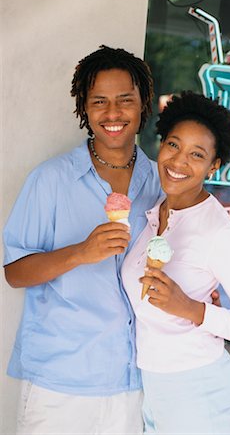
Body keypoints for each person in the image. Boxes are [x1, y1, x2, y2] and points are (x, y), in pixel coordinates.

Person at [3, 45, 161, 435]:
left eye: (125, 100)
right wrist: (81, 252)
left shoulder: (161, 183)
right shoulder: (50, 179)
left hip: (138, 380)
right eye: (99, 102)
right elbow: (14, 273)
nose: (113, 114)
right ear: (84, 109)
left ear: (143, 105)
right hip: (62, 384)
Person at [122, 91, 230, 435]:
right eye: (173, 145)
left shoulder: (218, 232)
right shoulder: (155, 209)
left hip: (198, 392)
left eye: (197, 154)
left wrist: (192, 309)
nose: (178, 162)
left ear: (214, 165)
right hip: (153, 388)